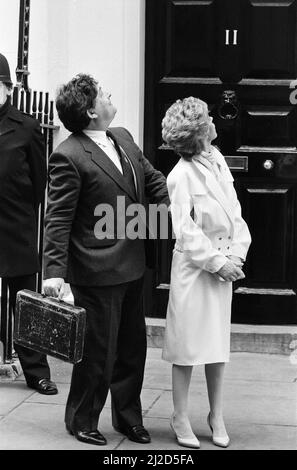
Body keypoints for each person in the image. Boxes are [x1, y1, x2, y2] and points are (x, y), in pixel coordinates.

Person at [42, 74, 169, 446]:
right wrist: (53, 274)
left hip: (132, 265)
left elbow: (152, 179)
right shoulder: (68, 154)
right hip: (94, 271)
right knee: (98, 355)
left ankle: (128, 418)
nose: (111, 96)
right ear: (91, 110)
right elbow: (58, 219)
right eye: (104, 95)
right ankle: (82, 420)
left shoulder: (124, 137)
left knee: (132, 350)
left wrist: (163, 219)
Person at [161, 97, 251, 449]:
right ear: (199, 132)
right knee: (186, 348)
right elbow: (184, 230)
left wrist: (238, 254)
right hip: (195, 269)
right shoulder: (179, 176)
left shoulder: (218, 162)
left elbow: (235, 212)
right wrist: (217, 262)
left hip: (223, 267)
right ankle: (179, 415)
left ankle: (216, 414)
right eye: (208, 117)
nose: (214, 119)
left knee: (216, 346)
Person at [0, 52, 57, 395]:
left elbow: (40, 182)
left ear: (8, 88)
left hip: (15, 227)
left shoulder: (27, 127)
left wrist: (20, 211)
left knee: (23, 301)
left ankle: (36, 371)